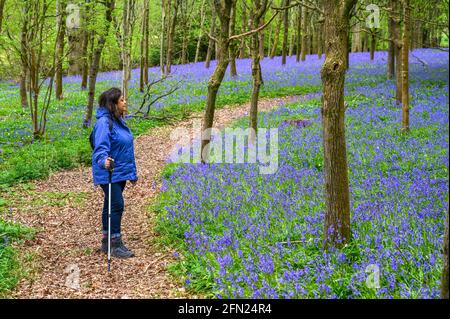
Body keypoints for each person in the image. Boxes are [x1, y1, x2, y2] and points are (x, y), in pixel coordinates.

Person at [92, 87, 138, 258]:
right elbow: (100, 147)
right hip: (108, 171)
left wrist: (131, 172)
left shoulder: (118, 120)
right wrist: (103, 160)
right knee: (117, 205)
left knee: (109, 205)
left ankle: (106, 241)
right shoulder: (104, 123)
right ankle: (116, 244)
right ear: (113, 104)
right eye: (122, 100)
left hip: (119, 172)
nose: (125, 102)